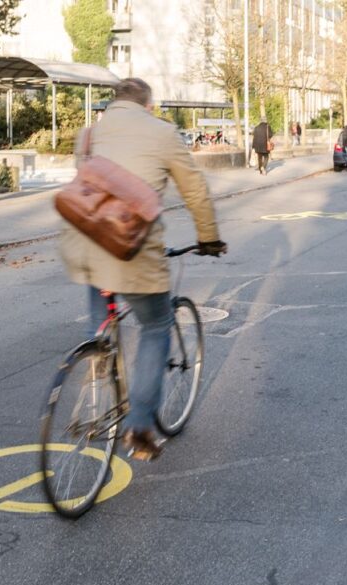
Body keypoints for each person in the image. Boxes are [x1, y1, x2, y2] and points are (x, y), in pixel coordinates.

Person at [59, 78, 227, 461]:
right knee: (155, 327)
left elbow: (90, 191)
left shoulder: (89, 135)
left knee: (101, 322)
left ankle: (96, 370)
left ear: (114, 103)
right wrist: (209, 237)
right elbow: (195, 190)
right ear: (148, 105)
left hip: (85, 246)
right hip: (131, 250)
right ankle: (138, 426)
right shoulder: (163, 133)